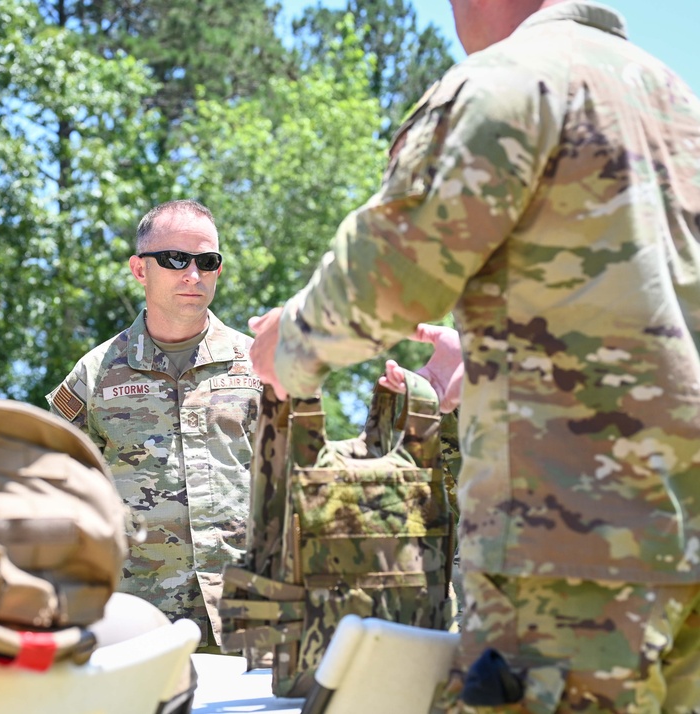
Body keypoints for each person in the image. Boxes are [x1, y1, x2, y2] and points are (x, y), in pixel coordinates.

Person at [249, 1, 700, 711]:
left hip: (571, 555)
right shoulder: (677, 104)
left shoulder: (509, 80)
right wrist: (497, 353)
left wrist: (290, 345)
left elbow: (395, 271)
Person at [47, 199, 260, 652]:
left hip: (247, 614)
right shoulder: (95, 373)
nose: (193, 275)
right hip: (138, 622)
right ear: (140, 270)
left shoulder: (260, 367)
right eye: (175, 259)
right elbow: (56, 497)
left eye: (207, 262)